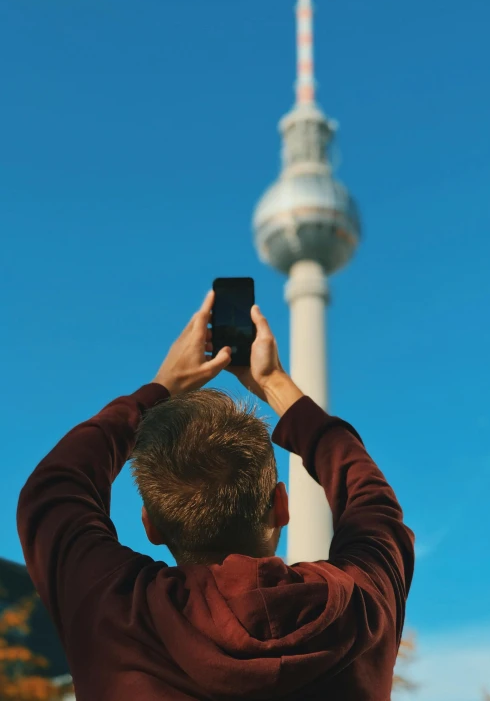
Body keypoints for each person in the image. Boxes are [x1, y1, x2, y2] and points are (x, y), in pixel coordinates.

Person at [17, 291, 415, 701]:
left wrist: (161, 387)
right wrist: (277, 385)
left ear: (150, 524)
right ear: (282, 506)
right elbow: (374, 506)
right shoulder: (360, 608)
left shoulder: (115, 608)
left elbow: (54, 487)